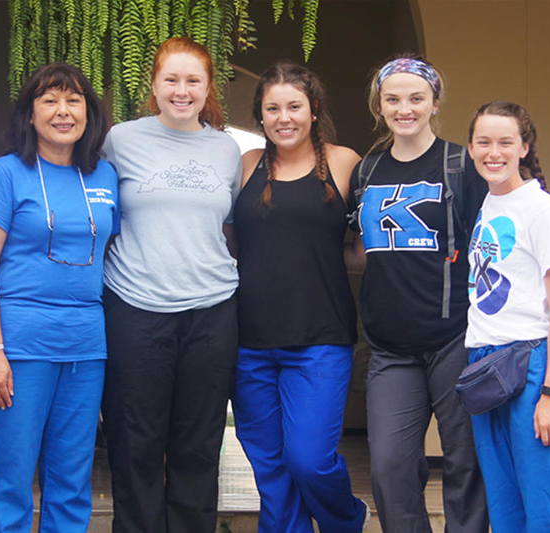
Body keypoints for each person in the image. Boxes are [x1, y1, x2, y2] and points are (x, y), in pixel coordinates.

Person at [0, 63, 117, 533]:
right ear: (29, 115)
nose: (63, 111)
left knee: (72, 481)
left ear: (89, 114)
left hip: (87, 347)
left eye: (73, 101)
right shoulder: (6, 174)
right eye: (49, 100)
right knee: (11, 480)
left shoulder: (106, 176)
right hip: (18, 346)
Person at [101, 37, 242, 533]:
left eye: (193, 81)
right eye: (171, 80)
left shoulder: (226, 149)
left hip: (213, 310)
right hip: (136, 308)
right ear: (154, 85)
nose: (182, 91)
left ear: (208, 89)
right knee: (135, 441)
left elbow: (231, 228)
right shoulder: (120, 139)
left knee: (199, 443)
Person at [349, 56, 489, 532]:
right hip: (390, 346)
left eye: (415, 98)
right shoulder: (366, 171)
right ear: (379, 105)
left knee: (464, 463)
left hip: (454, 337)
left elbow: (488, 244)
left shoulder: (460, 164)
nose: (404, 108)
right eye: (393, 99)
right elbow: (361, 252)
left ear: (434, 102)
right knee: (389, 466)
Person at [232, 61, 369, 533]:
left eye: (294, 106)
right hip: (249, 341)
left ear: (313, 111)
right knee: (269, 467)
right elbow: (233, 244)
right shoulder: (247, 166)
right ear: (260, 115)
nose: (283, 117)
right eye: (272, 108)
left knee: (309, 460)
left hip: (320, 338)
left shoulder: (345, 162)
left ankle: (347, 519)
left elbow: (360, 252)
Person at [465, 101, 550, 533]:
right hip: (486, 367)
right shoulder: (489, 205)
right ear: (472, 148)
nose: (493, 152)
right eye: (483, 142)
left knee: (547, 513)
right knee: (506, 511)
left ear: (524, 147)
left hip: (534, 369)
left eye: (505, 142)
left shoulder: (542, 210)